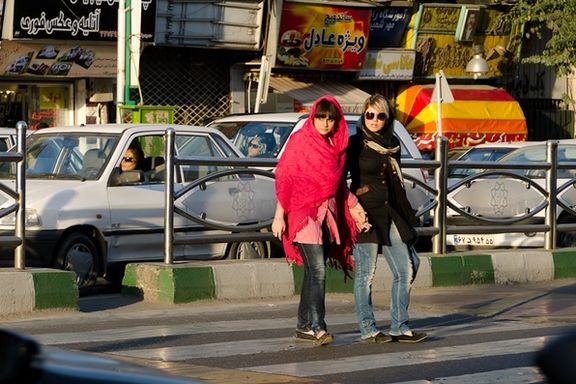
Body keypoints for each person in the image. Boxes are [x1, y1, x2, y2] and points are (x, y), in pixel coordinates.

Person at [271, 95, 369, 346]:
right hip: (303, 214)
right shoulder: (300, 141)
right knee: (318, 271)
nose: (325, 123)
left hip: (327, 215)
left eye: (331, 119)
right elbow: (285, 177)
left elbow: (337, 187)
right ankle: (318, 327)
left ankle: (303, 326)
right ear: (313, 116)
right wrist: (278, 216)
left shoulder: (337, 148)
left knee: (312, 274)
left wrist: (354, 207)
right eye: (321, 117)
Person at [346, 94, 427, 343]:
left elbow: (396, 184)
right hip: (365, 215)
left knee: (406, 269)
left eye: (380, 115)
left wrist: (408, 217)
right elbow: (340, 179)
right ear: (363, 115)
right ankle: (368, 328)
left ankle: (399, 326)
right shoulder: (355, 143)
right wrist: (351, 207)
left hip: (390, 211)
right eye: (370, 114)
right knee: (365, 274)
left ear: (387, 118)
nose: (374, 120)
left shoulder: (393, 144)